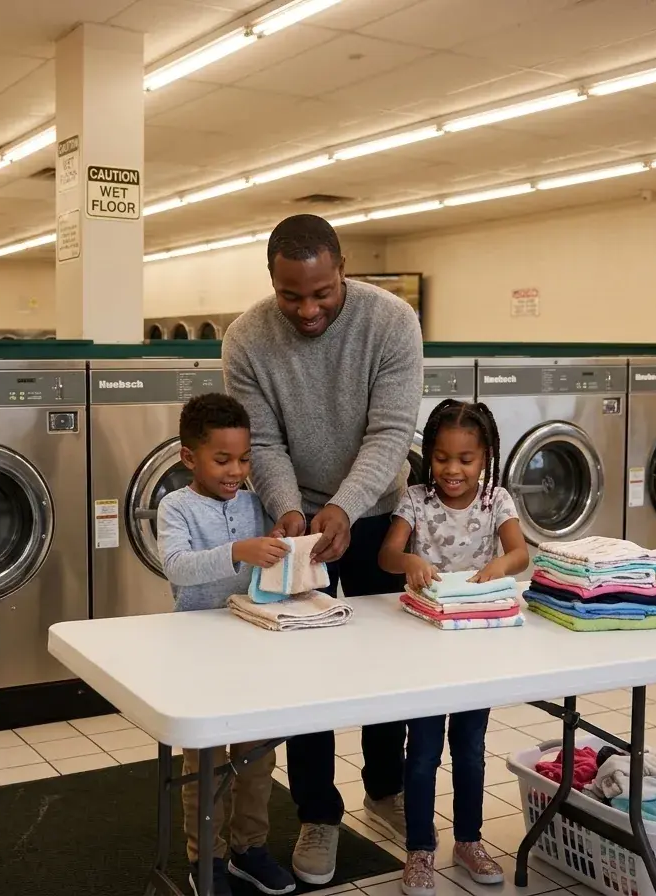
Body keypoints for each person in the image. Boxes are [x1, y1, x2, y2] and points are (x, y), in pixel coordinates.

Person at [222, 213, 423, 885]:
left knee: (384, 661)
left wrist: (346, 506)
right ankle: (317, 814)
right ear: (271, 280)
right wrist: (290, 510)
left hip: (377, 512)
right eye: (290, 295)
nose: (307, 309)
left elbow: (391, 430)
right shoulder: (247, 337)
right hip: (295, 518)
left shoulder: (390, 322)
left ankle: (386, 787)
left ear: (343, 270)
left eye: (321, 293)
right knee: (305, 671)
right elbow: (263, 441)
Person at [378, 399, 530, 895]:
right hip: (424, 643)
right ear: (429, 456)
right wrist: (410, 562)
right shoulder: (415, 499)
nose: (452, 469)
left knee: (469, 748)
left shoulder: (496, 501)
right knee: (422, 752)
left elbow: (520, 552)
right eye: (442, 457)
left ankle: (468, 841)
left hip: (474, 645)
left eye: (466, 459)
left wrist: (500, 566)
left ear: (485, 457)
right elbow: (387, 554)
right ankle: (419, 849)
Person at [156, 393, 297, 896]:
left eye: (244, 459)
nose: (236, 470)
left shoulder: (255, 503)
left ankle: (249, 848)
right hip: (198, 652)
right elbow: (177, 566)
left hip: (253, 647)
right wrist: (238, 551)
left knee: (258, 760)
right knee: (206, 766)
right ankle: (206, 860)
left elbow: (269, 567)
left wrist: (281, 541)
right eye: (222, 460)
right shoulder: (175, 507)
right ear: (188, 457)